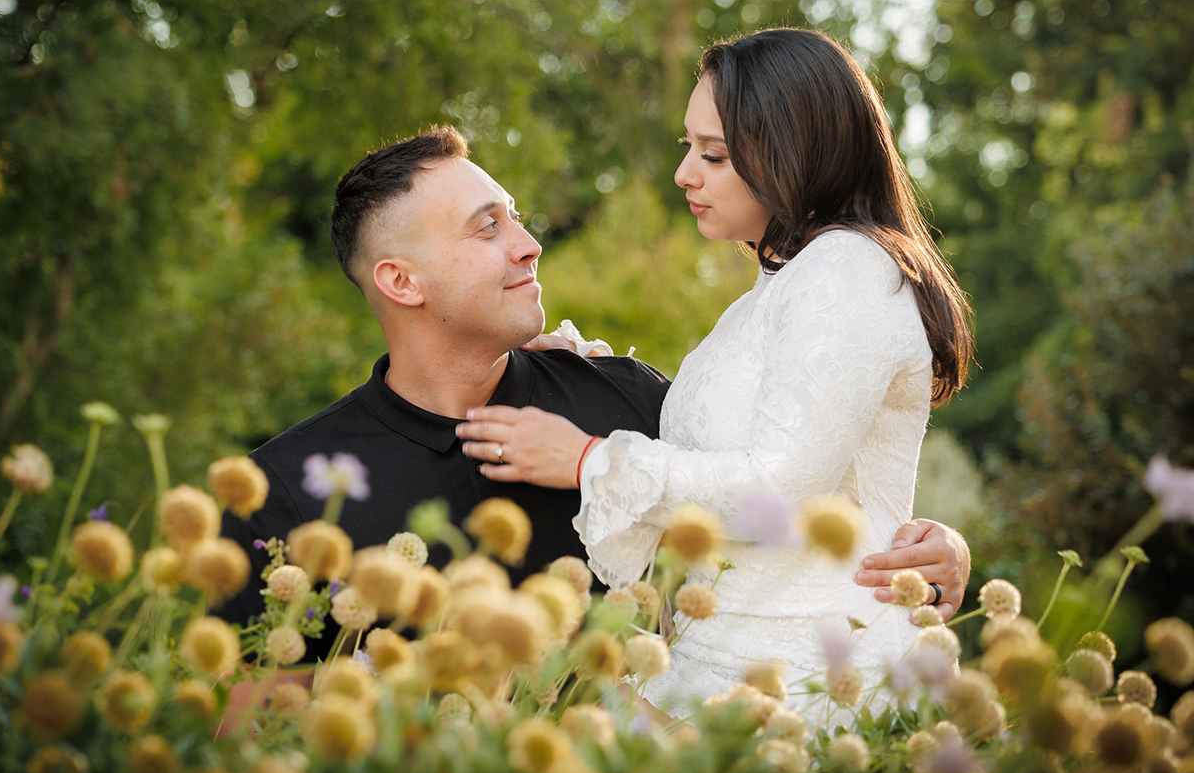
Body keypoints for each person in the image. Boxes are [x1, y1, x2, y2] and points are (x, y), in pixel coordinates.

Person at [216, 122, 971, 672]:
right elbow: (247, 728)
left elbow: (779, 488)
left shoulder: (624, 403)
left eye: (515, 215)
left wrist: (936, 551)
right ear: (401, 282)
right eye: (488, 229)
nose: (527, 242)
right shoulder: (285, 490)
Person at [456, 28, 974, 721]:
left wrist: (586, 460)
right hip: (732, 657)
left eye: (715, 154)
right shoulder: (771, 292)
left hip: (815, 677)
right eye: (687, 147)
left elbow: (781, 486)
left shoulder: (846, 269)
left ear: (796, 151)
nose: (685, 175)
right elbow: (734, 430)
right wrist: (591, 373)